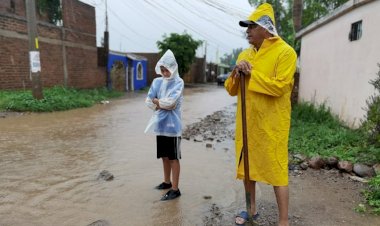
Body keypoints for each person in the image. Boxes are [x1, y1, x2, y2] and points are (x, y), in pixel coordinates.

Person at [224, 3, 297, 226]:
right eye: (247, 28)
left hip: (272, 124)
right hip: (248, 123)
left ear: (265, 28)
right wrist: (237, 73)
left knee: (277, 171)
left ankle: (283, 220)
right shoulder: (245, 54)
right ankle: (251, 209)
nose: (247, 31)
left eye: (251, 27)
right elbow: (231, 89)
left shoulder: (285, 52)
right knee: (248, 170)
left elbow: (281, 87)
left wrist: (251, 73)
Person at [145, 49, 184, 201]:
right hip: (160, 125)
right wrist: (158, 103)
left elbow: (171, 104)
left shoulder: (178, 82)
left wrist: (157, 101)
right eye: (162, 70)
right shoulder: (157, 81)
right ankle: (167, 182)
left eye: (167, 70)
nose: (165, 73)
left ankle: (175, 189)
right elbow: (148, 100)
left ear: (173, 68)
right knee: (164, 156)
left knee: (174, 157)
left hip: (173, 127)